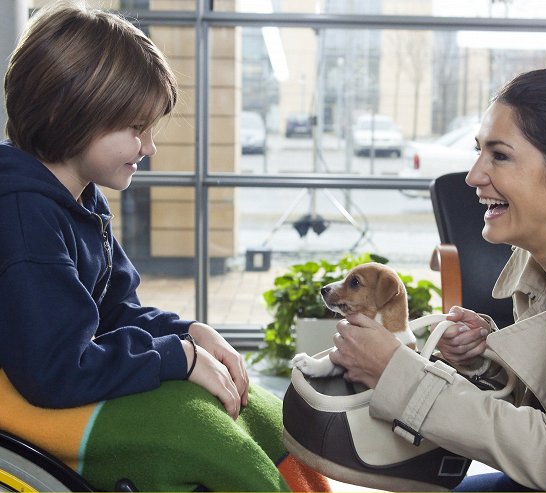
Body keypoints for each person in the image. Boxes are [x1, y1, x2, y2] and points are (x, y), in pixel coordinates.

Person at [0, 2, 329, 491]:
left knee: (260, 411)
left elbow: (114, 311)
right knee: (202, 437)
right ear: (63, 112)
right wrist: (179, 358)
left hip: (56, 377)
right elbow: (55, 370)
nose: (149, 147)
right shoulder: (24, 216)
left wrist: (191, 334)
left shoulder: (79, 199)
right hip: (25, 398)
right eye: (136, 128)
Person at [329, 67, 546, 492]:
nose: (473, 176)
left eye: (499, 155)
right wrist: (486, 361)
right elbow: (543, 414)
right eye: (478, 152)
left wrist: (395, 372)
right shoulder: (541, 263)